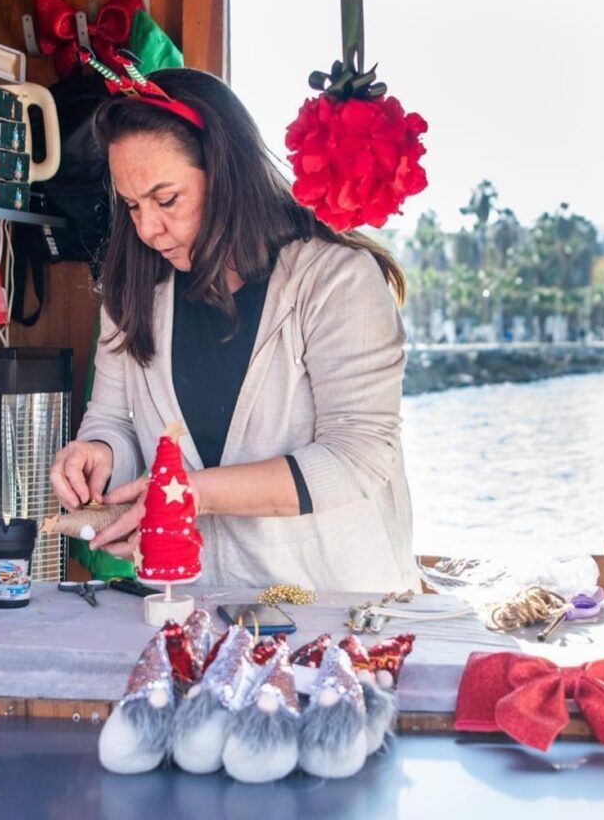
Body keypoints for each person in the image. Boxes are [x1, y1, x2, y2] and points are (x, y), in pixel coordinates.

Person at [48, 66, 418, 590]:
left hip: (337, 610)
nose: (148, 228)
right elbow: (114, 421)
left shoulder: (335, 280)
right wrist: (100, 454)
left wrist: (191, 492)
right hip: (189, 605)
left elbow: (357, 456)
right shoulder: (133, 290)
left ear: (227, 176)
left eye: (166, 200)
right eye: (131, 205)